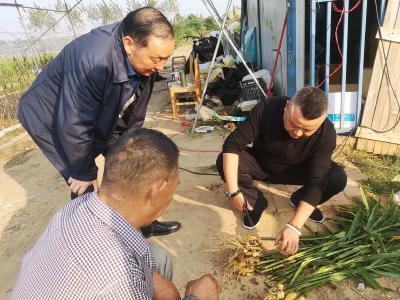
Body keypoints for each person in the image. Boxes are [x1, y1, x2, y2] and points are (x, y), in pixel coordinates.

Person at [17, 7, 180, 237]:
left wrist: (130, 149)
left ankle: (143, 224)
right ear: (129, 43)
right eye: (157, 58)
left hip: (86, 111)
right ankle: (91, 238)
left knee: (133, 165)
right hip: (51, 117)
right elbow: (74, 122)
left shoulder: (145, 64)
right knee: (83, 181)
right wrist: (84, 170)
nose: (161, 66)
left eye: (166, 58)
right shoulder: (92, 58)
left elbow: (134, 116)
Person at [12, 128, 221, 300]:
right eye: (176, 185)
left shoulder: (77, 207)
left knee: (158, 258)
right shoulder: (119, 281)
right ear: (155, 191)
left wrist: (152, 279)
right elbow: (116, 278)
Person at [216, 87, 347, 256]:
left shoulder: (326, 133)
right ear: (286, 107)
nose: (298, 133)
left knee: (336, 177)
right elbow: (232, 144)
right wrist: (233, 192)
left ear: (320, 124)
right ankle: (256, 202)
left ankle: (301, 200)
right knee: (224, 161)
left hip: (299, 171)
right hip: (262, 165)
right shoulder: (266, 110)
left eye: (307, 130)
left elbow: (317, 181)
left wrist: (294, 226)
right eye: (293, 124)